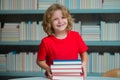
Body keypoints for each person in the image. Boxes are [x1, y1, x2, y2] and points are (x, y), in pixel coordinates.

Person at [36, 3, 88, 79]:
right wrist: (47, 68)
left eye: (63, 17)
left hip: (73, 76)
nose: (60, 21)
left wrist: (84, 63)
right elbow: (39, 61)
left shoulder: (76, 36)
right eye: (55, 19)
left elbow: (84, 53)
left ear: (68, 19)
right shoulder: (46, 42)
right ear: (49, 23)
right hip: (53, 77)